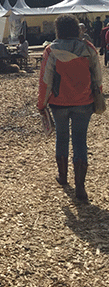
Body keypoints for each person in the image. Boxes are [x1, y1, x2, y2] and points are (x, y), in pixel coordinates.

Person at [38, 14, 102, 202]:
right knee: (80, 140)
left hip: (59, 102)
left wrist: (41, 103)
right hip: (84, 100)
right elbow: (97, 78)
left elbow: (45, 81)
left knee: (62, 136)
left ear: (58, 29)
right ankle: (80, 186)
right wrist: (98, 95)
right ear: (76, 29)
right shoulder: (88, 48)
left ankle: (63, 176)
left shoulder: (50, 51)